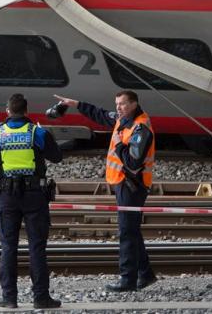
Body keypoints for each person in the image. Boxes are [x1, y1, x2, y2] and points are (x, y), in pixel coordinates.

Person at [55, 90, 157, 293]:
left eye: (123, 104)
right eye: (117, 104)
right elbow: (100, 114)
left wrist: (119, 144)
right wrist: (77, 103)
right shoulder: (124, 119)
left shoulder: (141, 128)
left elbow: (133, 161)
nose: (118, 108)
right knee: (131, 229)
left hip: (132, 186)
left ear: (134, 104)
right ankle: (146, 274)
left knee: (127, 231)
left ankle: (127, 280)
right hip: (123, 183)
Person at [0, 93, 63, 309]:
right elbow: (56, 157)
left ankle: (9, 298)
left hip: (7, 197)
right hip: (35, 196)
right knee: (37, 247)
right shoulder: (37, 132)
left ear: (7, 112)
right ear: (27, 111)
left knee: (8, 246)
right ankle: (41, 298)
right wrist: (47, 134)